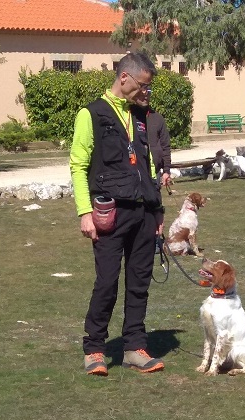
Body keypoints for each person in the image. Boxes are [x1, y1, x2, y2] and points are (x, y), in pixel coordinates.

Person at [70, 52, 165, 375]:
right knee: (107, 282)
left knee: (139, 283)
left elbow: (148, 165)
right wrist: (85, 212)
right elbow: (78, 165)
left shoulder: (141, 116)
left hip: (143, 213)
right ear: (124, 77)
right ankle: (94, 349)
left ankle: (134, 348)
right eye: (142, 85)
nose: (144, 92)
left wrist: (157, 210)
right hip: (109, 214)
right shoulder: (91, 114)